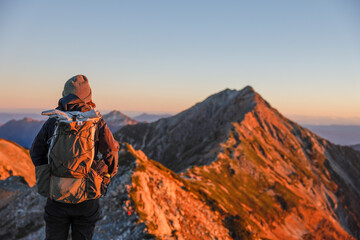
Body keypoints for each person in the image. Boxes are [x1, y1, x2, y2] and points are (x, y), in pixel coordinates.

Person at [30, 75, 119, 240]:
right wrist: (106, 176)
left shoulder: (54, 121)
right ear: (89, 96)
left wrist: (51, 173)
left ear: (64, 94)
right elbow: (111, 152)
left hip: (57, 195)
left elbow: (36, 152)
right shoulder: (96, 121)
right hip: (86, 195)